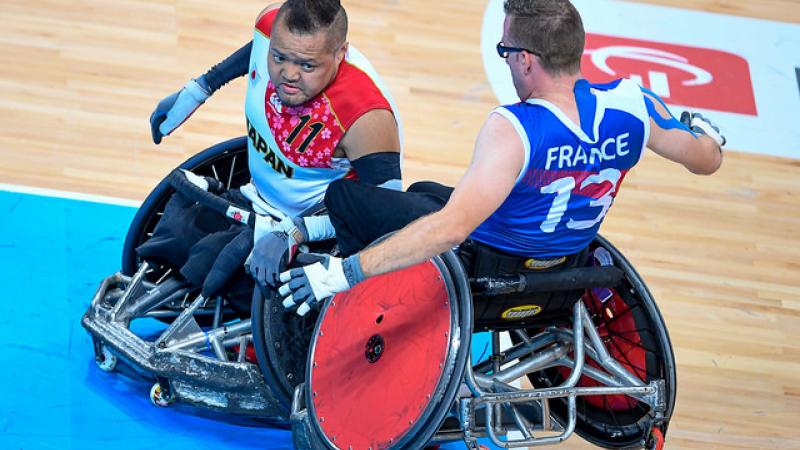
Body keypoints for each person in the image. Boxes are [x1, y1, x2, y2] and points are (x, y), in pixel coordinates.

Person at [276, 0, 725, 316]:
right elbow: (706, 159)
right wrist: (705, 132)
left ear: (527, 60)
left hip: (490, 273)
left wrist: (345, 273)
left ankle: (356, 307)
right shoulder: (636, 104)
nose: (507, 62)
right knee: (424, 192)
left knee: (345, 197)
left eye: (506, 52)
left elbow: (450, 229)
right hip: (566, 272)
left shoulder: (514, 129)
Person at [138, 0, 402, 307]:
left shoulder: (366, 118)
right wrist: (199, 89)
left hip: (316, 237)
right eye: (279, 57)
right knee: (177, 234)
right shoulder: (270, 26)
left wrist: (299, 230)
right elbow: (255, 49)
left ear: (340, 54)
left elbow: (386, 213)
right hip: (253, 201)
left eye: (307, 65)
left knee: (219, 269)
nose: (288, 74)